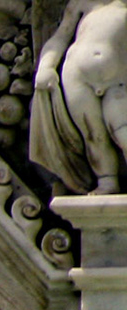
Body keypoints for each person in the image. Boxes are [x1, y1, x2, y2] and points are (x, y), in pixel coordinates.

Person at [34, 0, 127, 193]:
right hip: (76, 75)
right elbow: (60, 38)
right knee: (93, 135)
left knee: (122, 131)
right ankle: (106, 182)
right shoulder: (82, 3)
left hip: (118, 78)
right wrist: (46, 66)